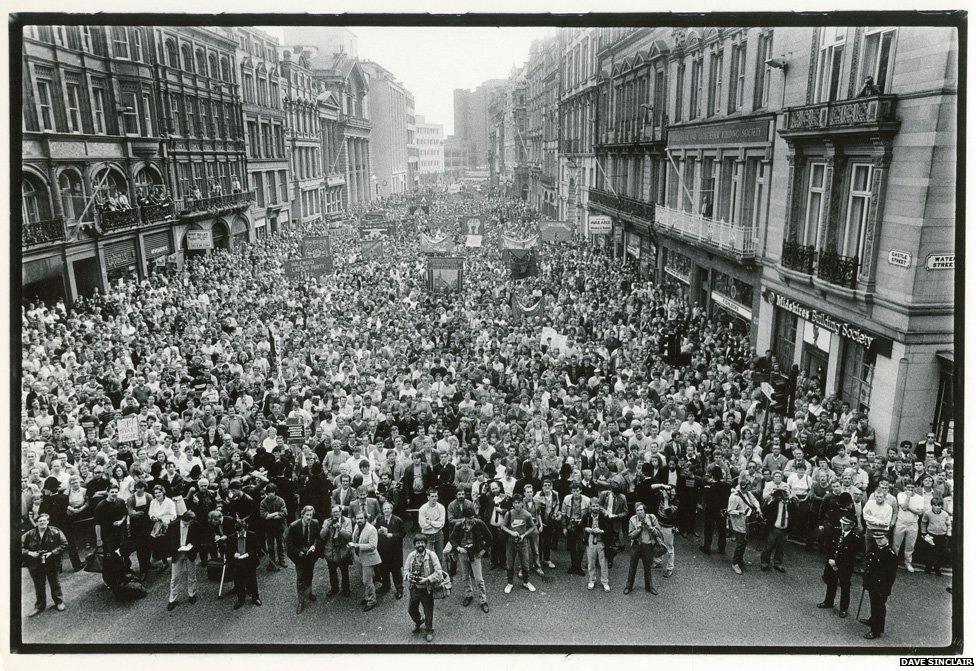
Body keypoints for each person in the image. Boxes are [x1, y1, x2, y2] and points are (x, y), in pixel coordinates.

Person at [446, 506, 491, 612]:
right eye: (469, 517)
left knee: (479, 579)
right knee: (465, 577)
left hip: (475, 554)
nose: (472, 520)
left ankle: (483, 600)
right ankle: (468, 595)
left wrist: (483, 551)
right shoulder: (458, 525)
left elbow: (489, 538)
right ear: (464, 517)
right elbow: (452, 538)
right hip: (463, 554)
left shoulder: (479, 524)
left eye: (473, 517)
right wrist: (458, 548)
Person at [22, 513, 67, 617]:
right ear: (36, 522)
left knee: (54, 582)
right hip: (35, 563)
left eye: (44, 520)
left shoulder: (55, 531)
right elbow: (18, 546)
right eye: (40, 521)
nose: (42, 522)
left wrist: (52, 552)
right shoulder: (29, 534)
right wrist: (30, 553)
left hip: (52, 562)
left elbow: (64, 544)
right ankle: (39, 606)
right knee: (38, 585)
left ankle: (59, 602)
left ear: (48, 521)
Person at [818, 515, 859, 618]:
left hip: (844, 566)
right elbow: (829, 546)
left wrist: (838, 564)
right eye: (842, 523)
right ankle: (828, 601)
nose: (842, 526)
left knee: (845, 586)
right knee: (831, 583)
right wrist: (830, 559)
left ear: (851, 526)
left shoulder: (854, 539)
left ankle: (843, 609)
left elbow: (850, 556)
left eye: (845, 524)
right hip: (832, 562)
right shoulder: (836, 533)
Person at [404, 534, 443, 643]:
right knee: (411, 609)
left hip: (427, 589)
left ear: (425, 544)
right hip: (414, 588)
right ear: (414, 545)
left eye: (422, 543)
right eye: (417, 543)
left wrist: (427, 579)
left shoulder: (432, 555)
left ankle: (429, 630)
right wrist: (407, 576)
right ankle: (419, 621)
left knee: (428, 611)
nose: (420, 545)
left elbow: (439, 573)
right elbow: (406, 570)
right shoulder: (411, 556)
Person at [860, 531, 898, 639]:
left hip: (881, 586)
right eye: (876, 539)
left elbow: (890, 576)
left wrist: (884, 589)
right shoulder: (875, 548)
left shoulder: (890, 554)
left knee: (878, 607)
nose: (878, 541)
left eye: (881, 539)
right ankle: (872, 620)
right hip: (872, 583)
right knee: (874, 604)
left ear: (887, 539)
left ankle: (876, 630)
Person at [285, 505, 321, 614]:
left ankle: (309, 592)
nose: (309, 517)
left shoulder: (315, 523)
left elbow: (317, 537)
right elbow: (288, 542)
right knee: (300, 578)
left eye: (311, 515)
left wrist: (314, 546)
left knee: (309, 574)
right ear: (302, 515)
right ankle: (301, 601)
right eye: (307, 515)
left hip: (310, 555)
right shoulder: (294, 526)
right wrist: (298, 552)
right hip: (299, 556)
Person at [165, 510, 202, 611]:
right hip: (177, 553)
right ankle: (172, 599)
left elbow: (198, 540)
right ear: (183, 519)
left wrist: (192, 546)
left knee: (192, 574)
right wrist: (170, 553)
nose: (190, 524)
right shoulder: (173, 526)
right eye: (188, 523)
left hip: (190, 553)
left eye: (191, 523)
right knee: (175, 577)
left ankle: (192, 594)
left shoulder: (195, 525)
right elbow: (167, 541)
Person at [727, 473, 762, 575]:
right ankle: (735, 563)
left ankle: (740, 559)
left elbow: (754, 500)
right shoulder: (734, 497)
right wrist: (740, 512)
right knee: (740, 543)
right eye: (748, 488)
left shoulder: (747, 493)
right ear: (744, 487)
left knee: (744, 542)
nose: (749, 490)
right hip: (739, 523)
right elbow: (730, 510)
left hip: (747, 521)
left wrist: (758, 508)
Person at [624, 502, 662, 595]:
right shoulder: (632, 519)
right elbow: (630, 535)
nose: (639, 512)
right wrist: (638, 530)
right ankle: (628, 586)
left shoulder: (652, 517)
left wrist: (650, 528)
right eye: (637, 510)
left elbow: (658, 532)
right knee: (632, 567)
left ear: (644, 510)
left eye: (641, 510)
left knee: (647, 567)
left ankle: (649, 586)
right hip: (636, 545)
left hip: (648, 545)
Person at [501, 496, 537, 594]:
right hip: (511, 543)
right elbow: (503, 526)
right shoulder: (509, 514)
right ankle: (510, 583)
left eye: (519, 502)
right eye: (515, 502)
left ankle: (526, 582)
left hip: (523, 543)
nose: (517, 504)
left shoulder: (527, 514)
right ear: (513, 504)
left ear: (522, 503)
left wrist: (524, 534)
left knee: (525, 564)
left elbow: (533, 527)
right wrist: (511, 533)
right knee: (510, 564)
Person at [350, 510, 382, 611]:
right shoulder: (357, 526)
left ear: (365, 519)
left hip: (369, 558)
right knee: (365, 579)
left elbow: (373, 546)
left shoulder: (371, 529)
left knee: (367, 580)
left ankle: (372, 601)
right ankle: (367, 596)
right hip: (359, 557)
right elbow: (355, 538)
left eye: (361, 518)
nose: (359, 520)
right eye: (357, 518)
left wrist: (357, 545)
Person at [226, 519, 261, 609]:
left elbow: (257, 549)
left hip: (249, 561)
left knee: (252, 580)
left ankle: (255, 598)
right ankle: (241, 600)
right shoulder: (231, 537)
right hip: (237, 563)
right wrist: (234, 554)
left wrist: (248, 553)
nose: (240, 533)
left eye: (241, 531)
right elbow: (228, 551)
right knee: (238, 582)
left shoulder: (252, 535)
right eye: (238, 531)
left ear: (245, 528)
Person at [375, 501, 405, 599]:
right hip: (382, 549)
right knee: (383, 569)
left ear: (391, 509)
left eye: (388, 508)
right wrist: (378, 531)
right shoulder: (379, 519)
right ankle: (385, 586)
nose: (386, 510)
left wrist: (392, 535)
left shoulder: (398, 520)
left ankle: (399, 588)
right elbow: (375, 529)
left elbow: (402, 534)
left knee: (396, 570)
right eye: (384, 509)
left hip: (394, 550)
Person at [321, 505, 353, 597]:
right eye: (333, 512)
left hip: (343, 550)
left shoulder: (347, 521)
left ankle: (346, 589)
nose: (335, 514)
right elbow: (322, 535)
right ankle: (334, 588)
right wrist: (327, 526)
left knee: (344, 571)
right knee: (332, 571)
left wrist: (340, 528)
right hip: (330, 550)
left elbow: (349, 536)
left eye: (337, 512)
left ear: (341, 512)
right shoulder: (327, 521)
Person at [699, 465, 730, 556]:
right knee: (722, 530)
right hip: (722, 510)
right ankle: (721, 548)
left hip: (711, 510)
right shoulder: (727, 486)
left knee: (709, 529)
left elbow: (707, 499)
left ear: (712, 475)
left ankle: (707, 547)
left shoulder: (710, 487)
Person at [582, 499, 611, 592]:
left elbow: (610, 531)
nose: (595, 508)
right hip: (590, 540)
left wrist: (601, 531)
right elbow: (581, 527)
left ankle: (605, 582)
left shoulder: (604, 517)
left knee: (603, 563)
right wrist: (586, 529)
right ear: (590, 507)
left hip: (601, 541)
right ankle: (591, 580)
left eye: (597, 506)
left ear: (600, 507)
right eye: (593, 506)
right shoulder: (586, 516)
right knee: (591, 561)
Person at [260, 483, 289, 571]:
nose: (271, 494)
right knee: (270, 546)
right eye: (269, 492)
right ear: (267, 493)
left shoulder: (280, 500)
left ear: (275, 492)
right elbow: (263, 515)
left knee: (281, 544)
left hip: (279, 526)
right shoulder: (263, 502)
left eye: (272, 492)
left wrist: (271, 516)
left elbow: (284, 513)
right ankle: (271, 562)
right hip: (269, 528)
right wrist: (276, 513)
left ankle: (282, 560)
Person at [760, 488, 790, 573]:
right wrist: (770, 500)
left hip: (785, 529)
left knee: (780, 548)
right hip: (774, 529)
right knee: (769, 546)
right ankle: (765, 563)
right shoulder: (774, 503)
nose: (785, 498)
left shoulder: (791, 504)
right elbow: (765, 511)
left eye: (786, 495)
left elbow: (794, 516)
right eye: (783, 496)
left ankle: (778, 563)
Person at [418, 488, 446, 559]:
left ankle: (439, 570)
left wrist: (430, 522)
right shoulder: (422, 508)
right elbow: (423, 525)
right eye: (432, 496)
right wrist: (435, 524)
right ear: (428, 497)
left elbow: (441, 524)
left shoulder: (441, 508)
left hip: (438, 534)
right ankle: (428, 570)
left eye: (436, 496)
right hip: (427, 535)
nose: (434, 498)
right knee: (427, 557)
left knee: (439, 556)